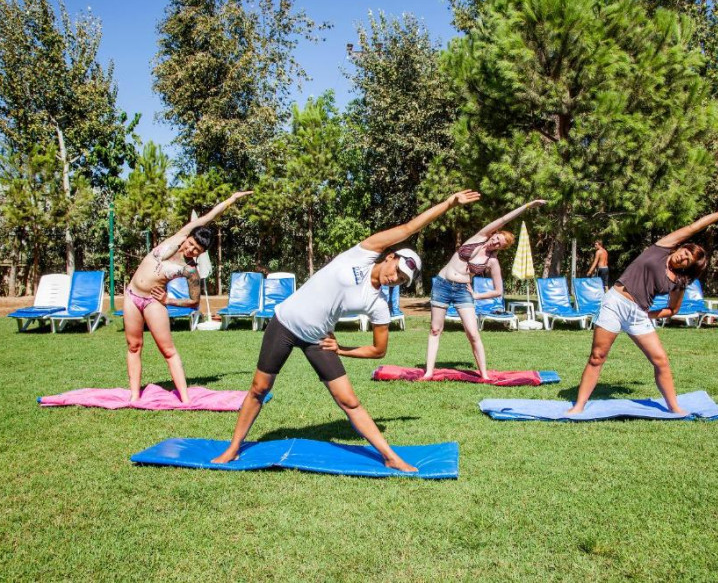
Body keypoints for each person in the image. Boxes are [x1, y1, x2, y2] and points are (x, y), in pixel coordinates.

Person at [212, 190, 482, 471]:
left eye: (402, 280)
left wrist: (341, 349)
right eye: (397, 270)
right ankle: (233, 448)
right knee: (259, 388)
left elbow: (379, 350)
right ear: (390, 256)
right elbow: (408, 228)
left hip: (318, 339)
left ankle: (390, 457)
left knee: (349, 401)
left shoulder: (379, 304)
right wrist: (448, 203)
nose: (395, 278)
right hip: (285, 323)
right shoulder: (363, 255)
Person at [566, 211, 718, 415]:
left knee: (661, 361)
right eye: (685, 252)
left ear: (688, 267)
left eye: (687, 261)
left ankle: (674, 407)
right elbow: (693, 228)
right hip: (614, 303)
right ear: (681, 247)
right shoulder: (661, 249)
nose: (682, 257)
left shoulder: (679, 281)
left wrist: (649, 315)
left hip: (638, 314)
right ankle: (579, 406)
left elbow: (673, 309)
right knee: (597, 356)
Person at [124, 191, 253, 403]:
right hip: (131, 295)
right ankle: (134, 396)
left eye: (197, 250)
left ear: (201, 253)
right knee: (133, 346)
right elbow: (208, 217)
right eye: (191, 244)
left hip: (152, 302)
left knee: (168, 350)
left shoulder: (190, 270)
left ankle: (185, 399)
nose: (191, 249)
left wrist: (168, 301)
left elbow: (194, 302)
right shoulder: (179, 237)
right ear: (188, 237)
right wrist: (232, 199)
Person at [422, 199, 546, 381]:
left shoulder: (492, 262)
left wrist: (477, 295)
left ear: (501, 248)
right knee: (435, 329)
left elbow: (498, 291)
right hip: (442, 284)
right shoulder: (479, 237)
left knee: (473, 333)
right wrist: (528, 206)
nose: (495, 242)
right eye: (496, 237)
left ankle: (484, 374)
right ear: (493, 234)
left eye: (499, 243)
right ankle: (428, 372)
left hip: (463, 291)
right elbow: (504, 219)